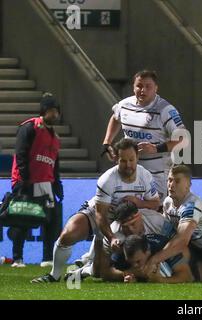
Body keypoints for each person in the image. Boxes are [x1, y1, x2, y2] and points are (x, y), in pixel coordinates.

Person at [30, 138, 160, 283]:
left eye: (131, 160)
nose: (128, 165)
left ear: (137, 157)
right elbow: (100, 215)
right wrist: (111, 238)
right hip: (100, 213)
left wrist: (139, 202)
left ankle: (87, 267)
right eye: (123, 160)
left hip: (123, 221)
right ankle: (54, 275)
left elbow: (155, 204)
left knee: (99, 272)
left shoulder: (145, 177)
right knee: (68, 235)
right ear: (116, 159)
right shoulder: (107, 180)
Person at [102, 70, 185, 200]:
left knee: (155, 209)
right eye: (139, 86)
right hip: (130, 170)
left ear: (156, 88)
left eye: (148, 86)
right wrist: (107, 142)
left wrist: (156, 149)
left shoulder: (165, 110)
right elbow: (115, 118)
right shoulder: (125, 105)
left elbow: (183, 139)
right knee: (127, 208)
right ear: (133, 87)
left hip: (156, 173)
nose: (143, 90)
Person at [9, 93, 63, 268]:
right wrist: (24, 180)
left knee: (50, 222)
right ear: (44, 111)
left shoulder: (55, 137)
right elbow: (21, 154)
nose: (55, 115)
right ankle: (17, 258)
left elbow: (55, 164)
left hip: (46, 184)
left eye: (57, 112)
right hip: (26, 181)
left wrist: (57, 184)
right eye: (52, 111)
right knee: (22, 219)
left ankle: (47, 258)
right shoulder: (30, 127)